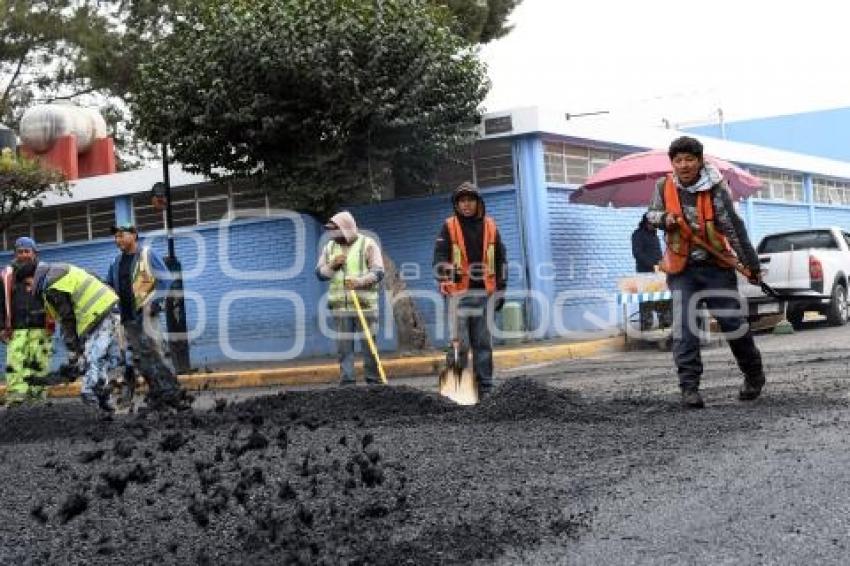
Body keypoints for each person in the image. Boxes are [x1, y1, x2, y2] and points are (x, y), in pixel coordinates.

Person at [646, 136, 765, 408]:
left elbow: (733, 227)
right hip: (681, 270)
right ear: (672, 163)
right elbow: (650, 216)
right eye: (678, 160)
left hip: (716, 268)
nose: (684, 165)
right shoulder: (663, 186)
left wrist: (751, 265)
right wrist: (664, 219)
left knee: (733, 324)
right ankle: (689, 387)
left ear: (700, 161)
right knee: (684, 327)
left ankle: (754, 375)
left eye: (689, 159)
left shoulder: (716, 188)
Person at [433, 182, 507, 398]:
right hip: (458, 296)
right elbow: (438, 259)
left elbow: (502, 259)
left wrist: (502, 289)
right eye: (461, 201)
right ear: (456, 205)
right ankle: (457, 391)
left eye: (470, 200)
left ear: (478, 202)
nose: (466, 205)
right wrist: (447, 270)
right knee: (460, 344)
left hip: (485, 294)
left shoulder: (491, 226)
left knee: (484, 345)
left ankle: (485, 390)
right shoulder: (448, 226)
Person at [105, 222, 189, 409]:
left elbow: (165, 279)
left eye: (121, 235)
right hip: (127, 318)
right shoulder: (115, 262)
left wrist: (156, 302)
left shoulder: (147, 254)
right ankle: (157, 394)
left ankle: (174, 394)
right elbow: (109, 285)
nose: (117, 239)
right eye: (116, 236)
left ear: (134, 235)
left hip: (146, 314)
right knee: (139, 359)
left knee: (158, 353)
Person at [18, 261, 120, 411]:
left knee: (93, 358)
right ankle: (105, 402)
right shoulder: (61, 268)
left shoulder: (51, 286)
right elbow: (92, 275)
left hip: (99, 315)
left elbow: (67, 319)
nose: (29, 289)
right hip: (108, 309)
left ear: (34, 276)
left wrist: (73, 349)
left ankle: (92, 397)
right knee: (98, 358)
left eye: (28, 284)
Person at [315, 211, 385, 385]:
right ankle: (347, 383)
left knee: (369, 346)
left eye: (335, 230)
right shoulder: (330, 248)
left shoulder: (367, 244)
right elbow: (320, 274)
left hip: (365, 306)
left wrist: (359, 282)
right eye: (331, 231)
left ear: (346, 229)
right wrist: (332, 265)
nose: (332, 234)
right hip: (340, 308)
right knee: (344, 349)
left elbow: (378, 271)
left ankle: (373, 381)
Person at [0, 237, 53, 405]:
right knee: (15, 364)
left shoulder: (45, 272)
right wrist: (2, 327)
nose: (23, 255)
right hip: (16, 328)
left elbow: (54, 298)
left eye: (27, 251)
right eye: (20, 252)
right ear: (15, 254)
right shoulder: (7, 275)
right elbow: (1, 303)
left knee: (39, 363)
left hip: (40, 327)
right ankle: (16, 400)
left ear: (34, 253)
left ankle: (38, 400)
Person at [631, 214, 670, 330]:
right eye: (654, 225)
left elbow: (657, 252)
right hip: (644, 273)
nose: (656, 227)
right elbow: (637, 254)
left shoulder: (654, 235)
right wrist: (652, 265)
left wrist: (662, 263)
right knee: (646, 300)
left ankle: (666, 323)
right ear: (646, 223)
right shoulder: (638, 234)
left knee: (662, 298)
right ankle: (646, 326)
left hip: (658, 272)